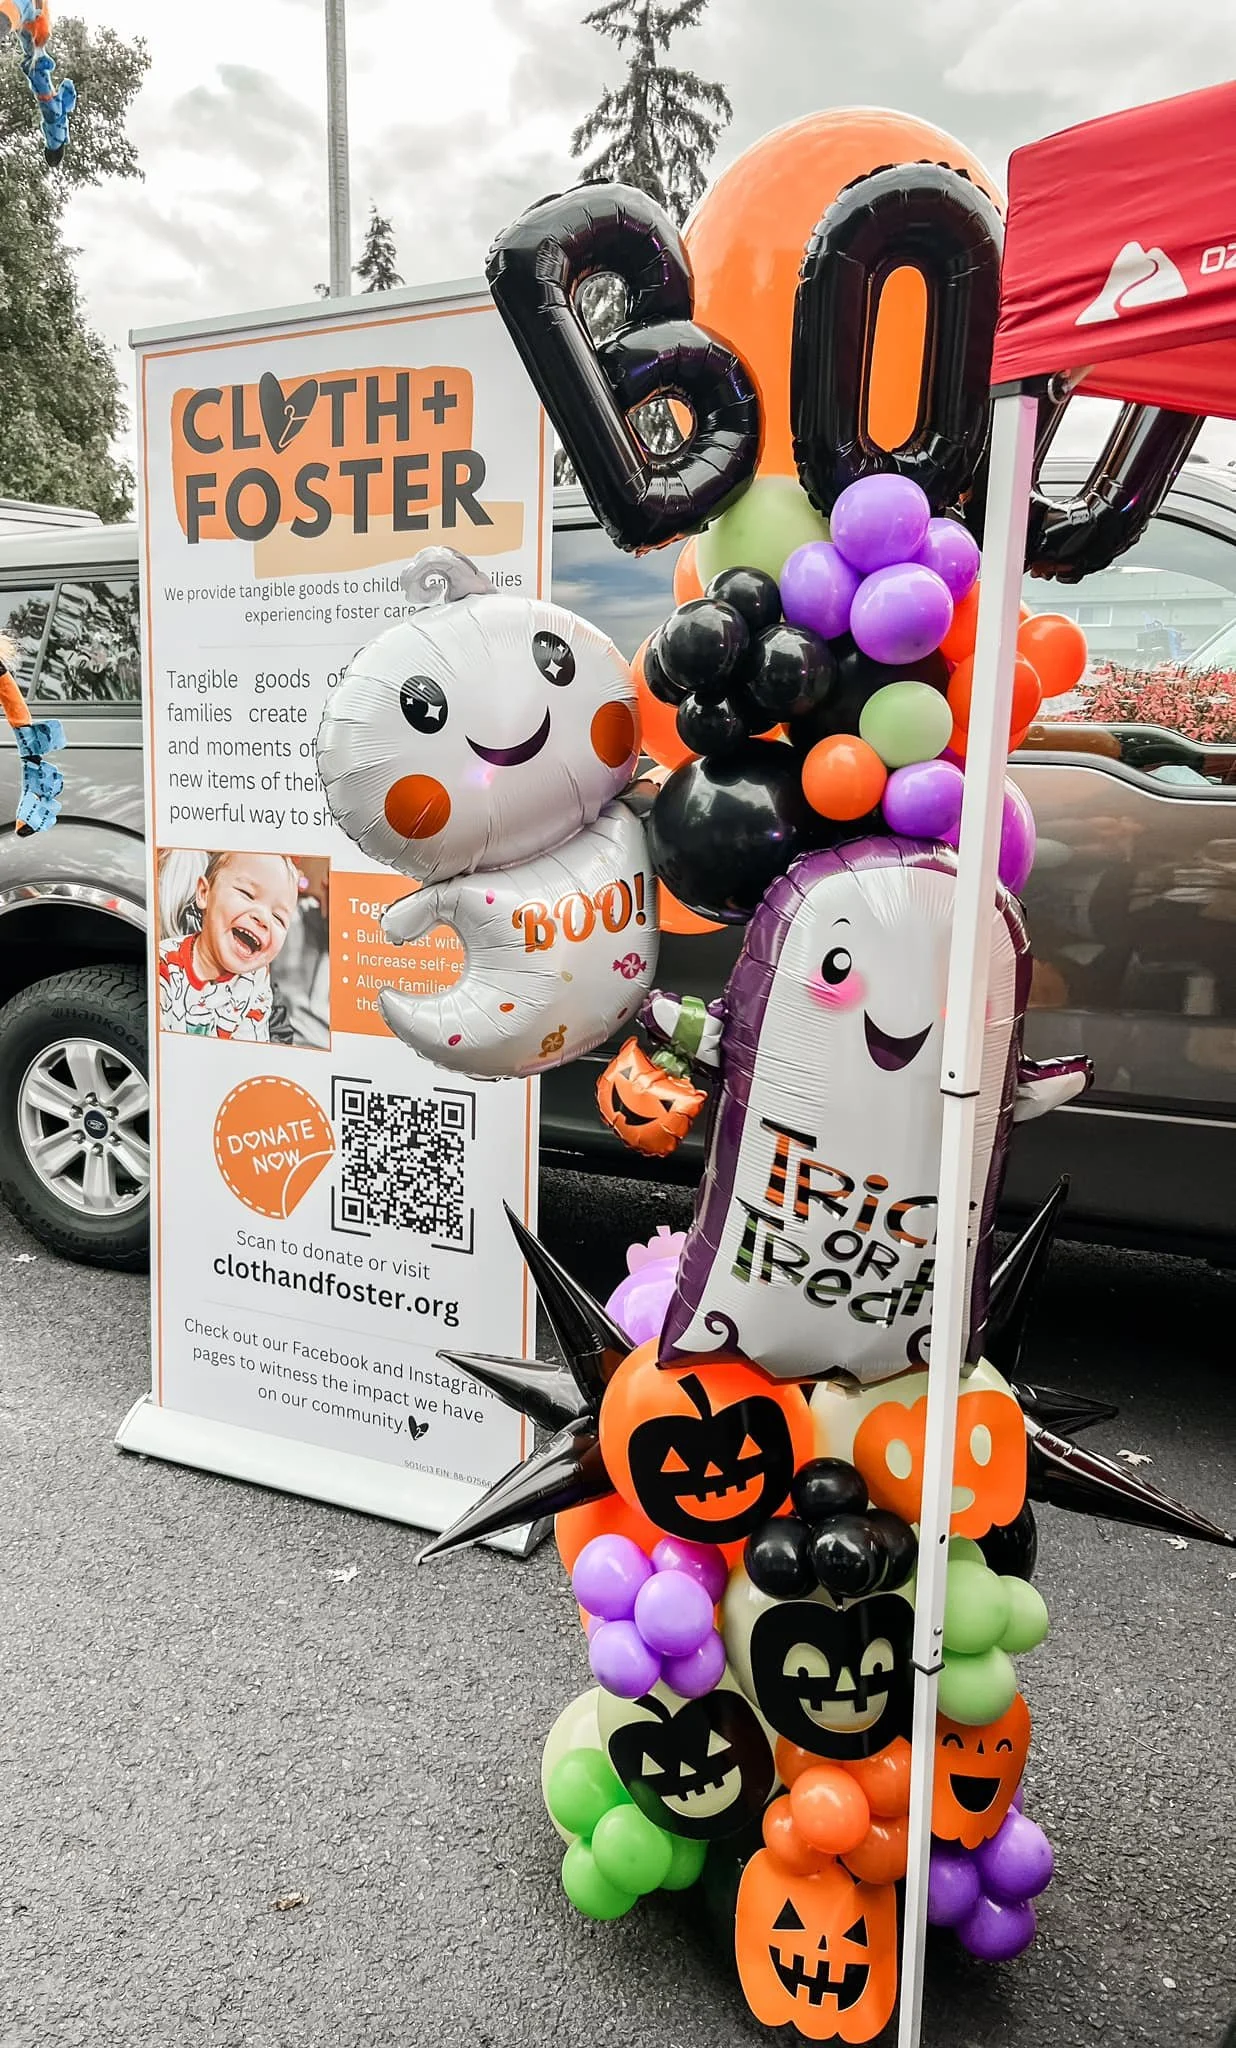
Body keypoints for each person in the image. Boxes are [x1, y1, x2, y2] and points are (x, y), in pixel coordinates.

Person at [158, 851, 298, 1040]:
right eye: (247, 894)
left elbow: (252, 1050)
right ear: (203, 894)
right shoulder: (164, 964)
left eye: (278, 918)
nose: (264, 918)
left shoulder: (257, 979)